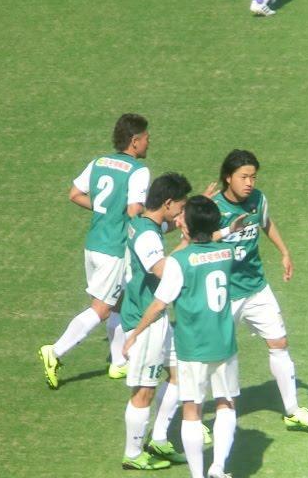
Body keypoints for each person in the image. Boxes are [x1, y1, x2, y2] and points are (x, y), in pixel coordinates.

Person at [124, 196, 239, 478]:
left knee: (192, 409)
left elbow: (159, 303)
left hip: (192, 347)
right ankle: (218, 466)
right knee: (226, 403)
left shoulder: (178, 262)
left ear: (188, 226)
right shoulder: (227, 253)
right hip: (224, 343)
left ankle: (198, 475)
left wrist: (135, 334)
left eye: (182, 218)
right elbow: (208, 247)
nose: (178, 221)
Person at [38, 114, 151, 389]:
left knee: (118, 301)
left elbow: (74, 194)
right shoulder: (138, 171)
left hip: (94, 244)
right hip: (115, 248)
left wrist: (105, 210)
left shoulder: (98, 162)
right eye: (146, 138)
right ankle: (55, 351)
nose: (149, 142)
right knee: (100, 309)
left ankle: (118, 363)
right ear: (135, 141)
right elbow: (134, 210)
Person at [213, 149, 308, 429]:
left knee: (279, 343)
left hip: (256, 288)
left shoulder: (258, 200)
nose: (249, 183)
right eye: (244, 177)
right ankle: (200, 414)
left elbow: (266, 222)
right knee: (215, 355)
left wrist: (284, 252)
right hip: (224, 295)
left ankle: (292, 411)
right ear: (228, 177)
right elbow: (197, 240)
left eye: (253, 177)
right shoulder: (213, 207)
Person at [119, 173, 192, 470]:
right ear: (168, 202)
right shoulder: (148, 236)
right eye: (181, 207)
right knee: (144, 390)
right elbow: (162, 270)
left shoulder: (142, 222)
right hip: (145, 320)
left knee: (180, 373)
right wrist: (187, 242)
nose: (181, 214)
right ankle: (133, 454)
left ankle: (159, 438)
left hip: (155, 317)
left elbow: (164, 228)